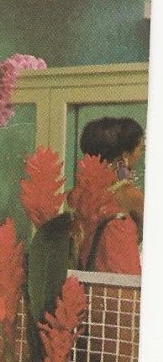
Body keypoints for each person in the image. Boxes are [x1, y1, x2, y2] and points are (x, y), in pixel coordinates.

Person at [77, 116, 145, 274]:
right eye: (139, 149)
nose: (140, 155)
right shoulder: (128, 193)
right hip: (122, 279)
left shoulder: (81, 193)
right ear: (125, 155)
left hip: (90, 279)